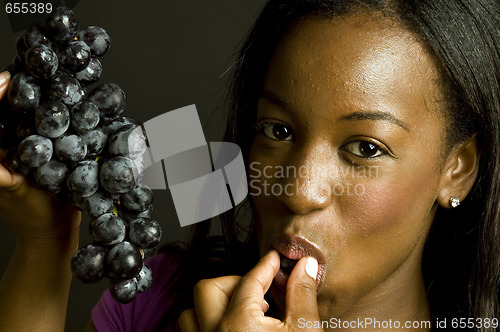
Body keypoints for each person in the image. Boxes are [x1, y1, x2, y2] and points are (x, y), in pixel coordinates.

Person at [0, 0, 498, 331]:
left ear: (458, 168)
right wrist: (46, 241)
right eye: (277, 132)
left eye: (365, 148)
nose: (298, 192)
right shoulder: (158, 302)